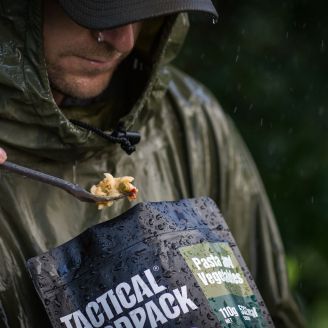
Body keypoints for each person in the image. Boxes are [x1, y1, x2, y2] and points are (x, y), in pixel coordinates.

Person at [0, 0, 305, 327]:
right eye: (102, 9)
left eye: (140, 12)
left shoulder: (186, 119)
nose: (124, 41)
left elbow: (266, 308)